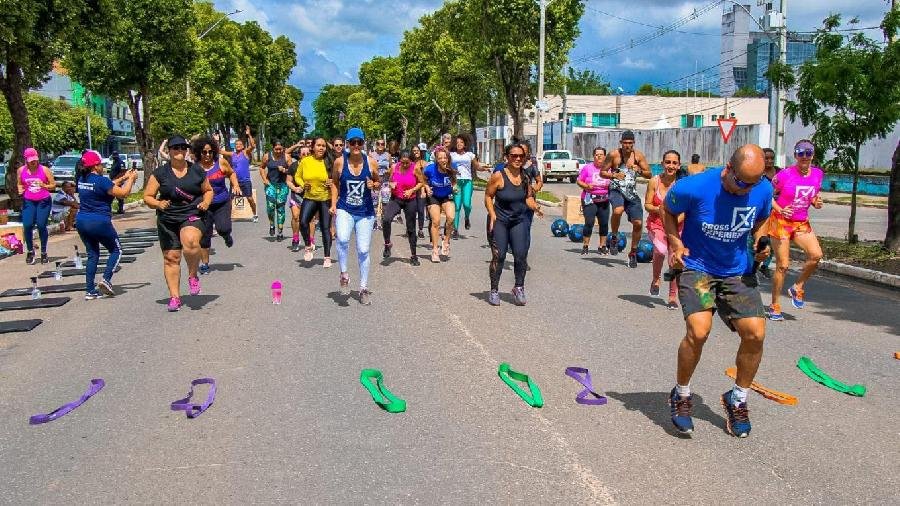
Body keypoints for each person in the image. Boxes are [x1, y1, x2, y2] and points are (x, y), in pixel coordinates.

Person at [662, 144, 773, 438]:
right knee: (698, 331)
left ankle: (737, 398)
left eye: (753, 183)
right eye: (741, 182)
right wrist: (675, 244)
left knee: (756, 333)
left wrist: (761, 243)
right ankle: (682, 394)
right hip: (697, 266)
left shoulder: (761, 189)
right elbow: (667, 210)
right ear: (728, 169)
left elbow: (761, 220)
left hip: (736, 270)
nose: (745, 189)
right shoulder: (694, 186)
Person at [142, 135, 214, 312]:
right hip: (168, 218)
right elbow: (147, 196)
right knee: (171, 258)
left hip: (192, 213)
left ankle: (192, 276)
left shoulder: (196, 170)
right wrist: (158, 203)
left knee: (190, 241)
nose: (180, 151)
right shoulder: (160, 173)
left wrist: (205, 202)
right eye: (176, 148)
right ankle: (175, 297)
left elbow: (208, 190)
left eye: (183, 148)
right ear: (169, 151)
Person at [766, 139, 824, 322]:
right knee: (783, 265)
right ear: (795, 155)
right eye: (800, 153)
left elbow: (813, 195)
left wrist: (816, 202)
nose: (804, 156)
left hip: (800, 222)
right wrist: (779, 209)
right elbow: (766, 194)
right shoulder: (785, 175)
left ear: (813, 155)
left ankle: (797, 287)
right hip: (781, 221)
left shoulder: (817, 174)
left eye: (808, 153)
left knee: (815, 255)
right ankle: (775, 304)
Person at [485, 143, 542, 306]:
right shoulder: (498, 176)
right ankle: (494, 290)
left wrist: (535, 207)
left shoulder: (525, 176)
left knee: (521, 255)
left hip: (519, 220)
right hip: (500, 220)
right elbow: (488, 196)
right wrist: (493, 214)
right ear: (507, 157)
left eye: (521, 156)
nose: (517, 159)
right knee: (500, 255)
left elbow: (528, 197)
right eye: (514, 156)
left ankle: (519, 287)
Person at [74, 150, 137, 299]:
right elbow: (123, 193)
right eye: (101, 164)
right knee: (116, 250)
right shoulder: (101, 181)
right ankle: (106, 279)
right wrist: (131, 179)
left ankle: (90, 290)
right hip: (99, 221)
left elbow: (108, 186)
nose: (103, 167)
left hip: (82, 221)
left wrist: (124, 177)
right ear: (96, 166)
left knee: (92, 255)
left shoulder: (82, 179)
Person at [330, 127, 381, 305]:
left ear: (363, 143)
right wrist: (333, 204)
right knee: (342, 239)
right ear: (348, 144)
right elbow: (335, 183)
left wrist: (373, 184)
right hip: (345, 208)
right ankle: (344, 275)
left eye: (360, 142)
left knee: (363, 250)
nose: (356, 145)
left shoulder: (371, 162)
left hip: (365, 212)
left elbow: (378, 183)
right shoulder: (339, 162)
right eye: (353, 142)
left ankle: (363, 287)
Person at [601, 130, 652, 267]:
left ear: (633, 143)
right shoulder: (614, 155)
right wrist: (613, 176)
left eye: (630, 143)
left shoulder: (638, 156)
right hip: (616, 189)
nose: (627, 146)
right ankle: (614, 237)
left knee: (638, 224)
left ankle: (633, 252)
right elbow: (602, 172)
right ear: (621, 143)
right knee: (618, 210)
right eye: (625, 143)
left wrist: (639, 170)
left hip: (631, 192)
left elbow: (649, 174)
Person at [195, 136, 241, 275]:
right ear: (198, 153)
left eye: (210, 152)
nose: (208, 155)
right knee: (204, 236)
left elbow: (231, 174)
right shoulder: (195, 168)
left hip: (221, 202)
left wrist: (236, 185)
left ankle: (226, 236)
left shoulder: (221, 163)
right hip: (204, 206)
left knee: (223, 227)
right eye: (204, 152)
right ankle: (205, 264)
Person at [644, 150, 682, 310]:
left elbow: (686, 211)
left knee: (675, 260)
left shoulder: (682, 185)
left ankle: (673, 297)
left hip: (677, 226)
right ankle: (656, 279)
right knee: (659, 250)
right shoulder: (654, 181)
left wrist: (672, 224)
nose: (670, 166)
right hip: (656, 224)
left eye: (674, 163)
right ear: (662, 164)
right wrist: (660, 210)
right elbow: (647, 205)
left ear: (679, 166)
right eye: (668, 162)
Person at [381, 150, 426, 265]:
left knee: (411, 228)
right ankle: (387, 244)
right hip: (396, 199)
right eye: (403, 162)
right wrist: (391, 184)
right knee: (386, 219)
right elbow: (388, 179)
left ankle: (413, 255)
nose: (405, 165)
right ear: (399, 160)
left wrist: (412, 190)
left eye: (407, 163)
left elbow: (421, 182)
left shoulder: (415, 168)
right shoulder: (395, 167)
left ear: (410, 161)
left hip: (410, 200)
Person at [297, 137, 334, 267]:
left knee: (325, 228)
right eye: (318, 145)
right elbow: (298, 176)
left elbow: (336, 178)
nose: (321, 148)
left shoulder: (329, 161)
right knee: (302, 222)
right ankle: (308, 246)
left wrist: (332, 181)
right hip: (310, 197)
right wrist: (303, 184)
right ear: (313, 147)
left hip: (325, 198)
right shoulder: (305, 161)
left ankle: (327, 257)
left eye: (323, 146)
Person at [17, 147, 56, 264]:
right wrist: (20, 190)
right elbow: (19, 184)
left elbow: (53, 185)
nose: (34, 162)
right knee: (27, 225)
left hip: (43, 201)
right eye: (31, 160)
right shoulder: (21, 170)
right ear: (26, 160)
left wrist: (44, 185)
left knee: (41, 225)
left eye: (35, 159)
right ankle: (30, 251)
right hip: (29, 201)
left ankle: (43, 252)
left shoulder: (44, 170)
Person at [423, 148, 457, 262]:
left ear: (448, 158)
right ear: (436, 159)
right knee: (436, 221)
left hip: (447, 195)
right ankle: (435, 250)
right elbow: (423, 179)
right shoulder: (430, 169)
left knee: (451, 218)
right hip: (434, 196)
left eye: (445, 157)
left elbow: (454, 180)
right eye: (440, 158)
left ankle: (446, 240)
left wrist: (455, 186)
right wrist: (427, 187)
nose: (443, 160)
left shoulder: (452, 168)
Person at [576, 147, 611, 255]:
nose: (599, 156)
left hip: (604, 200)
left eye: (601, 154)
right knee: (589, 222)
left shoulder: (609, 169)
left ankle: (602, 246)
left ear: (605, 157)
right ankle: (585, 245)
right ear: (593, 156)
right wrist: (586, 186)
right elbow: (578, 181)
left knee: (604, 223)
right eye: (596, 154)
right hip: (589, 199)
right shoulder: (587, 168)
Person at [219, 126, 258, 222]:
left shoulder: (245, 152)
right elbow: (220, 151)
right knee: (230, 199)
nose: (238, 146)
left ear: (243, 146)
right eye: (236, 144)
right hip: (235, 182)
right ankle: (228, 217)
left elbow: (253, 146)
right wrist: (216, 140)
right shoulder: (233, 154)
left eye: (240, 144)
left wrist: (249, 134)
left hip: (245, 181)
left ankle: (255, 214)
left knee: (249, 198)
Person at [451, 135, 486, 239]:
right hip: (456, 182)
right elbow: (447, 166)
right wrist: (451, 171)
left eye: (461, 142)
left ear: (465, 144)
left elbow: (477, 166)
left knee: (466, 204)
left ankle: (467, 217)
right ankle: (455, 229)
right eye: (457, 142)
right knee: (456, 206)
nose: (459, 144)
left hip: (467, 182)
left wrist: (484, 169)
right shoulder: (452, 155)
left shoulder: (470, 155)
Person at [259, 140, 292, 241]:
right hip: (271, 185)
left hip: (282, 185)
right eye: (276, 149)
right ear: (272, 148)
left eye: (280, 149)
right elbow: (261, 168)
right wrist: (265, 180)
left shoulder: (286, 157)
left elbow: (293, 171)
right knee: (270, 207)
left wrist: (285, 170)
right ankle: (272, 224)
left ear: (283, 149)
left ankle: (280, 232)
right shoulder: (267, 156)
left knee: (280, 208)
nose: (278, 151)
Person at [757, 148, 780, 278]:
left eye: (772, 158)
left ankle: (765, 265)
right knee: (758, 238)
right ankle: (753, 265)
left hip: (777, 212)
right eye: (767, 158)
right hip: (761, 211)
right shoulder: (757, 174)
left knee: (773, 240)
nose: (770, 161)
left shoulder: (780, 172)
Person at [371, 139, 391, 229]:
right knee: (374, 203)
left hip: (385, 182)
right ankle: (374, 221)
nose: (380, 145)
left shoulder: (388, 155)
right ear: (376, 144)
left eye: (382, 144)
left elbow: (392, 168)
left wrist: (388, 171)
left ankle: (384, 222)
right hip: (375, 182)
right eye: (378, 143)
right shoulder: (371, 155)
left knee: (385, 202)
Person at [410, 144, 428, 239]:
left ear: (420, 152)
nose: (415, 152)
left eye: (417, 150)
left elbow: (425, 178)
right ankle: (411, 228)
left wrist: (424, 190)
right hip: (411, 189)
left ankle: (420, 229)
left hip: (421, 188)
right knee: (411, 210)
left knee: (421, 210)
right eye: (414, 151)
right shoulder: (409, 163)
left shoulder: (424, 163)